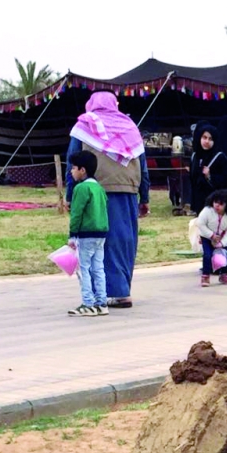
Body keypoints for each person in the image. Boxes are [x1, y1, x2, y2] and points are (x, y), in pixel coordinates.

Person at [66, 92, 150, 309]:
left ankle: (106, 293)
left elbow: (72, 162)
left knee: (99, 240)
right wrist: (145, 197)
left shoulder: (84, 125)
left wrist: (69, 196)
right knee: (125, 240)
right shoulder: (129, 126)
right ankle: (122, 290)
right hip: (129, 190)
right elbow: (143, 164)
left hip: (95, 191)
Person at [66, 150, 108, 316]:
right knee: (98, 268)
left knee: (84, 269)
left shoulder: (81, 188)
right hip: (101, 233)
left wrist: (72, 234)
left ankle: (87, 302)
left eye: (74, 168)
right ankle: (101, 302)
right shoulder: (99, 188)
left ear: (82, 170)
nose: (71, 171)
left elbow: (76, 213)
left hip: (85, 234)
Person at [189, 188, 227, 287]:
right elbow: (200, 224)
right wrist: (211, 235)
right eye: (215, 202)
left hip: (222, 238)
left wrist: (222, 243)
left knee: (225, 255)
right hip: (206, 237)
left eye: (221, 204)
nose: (217, 206)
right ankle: (205, 276)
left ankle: (223, 275)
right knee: (207, 255)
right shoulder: (207, 211)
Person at [189, 123, 227, 216]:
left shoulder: (220, 157)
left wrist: (210, 176)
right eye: (204, 137)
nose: (207, 141)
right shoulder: (195, 156)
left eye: (210, 139)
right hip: (199, 201)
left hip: (215, 201)